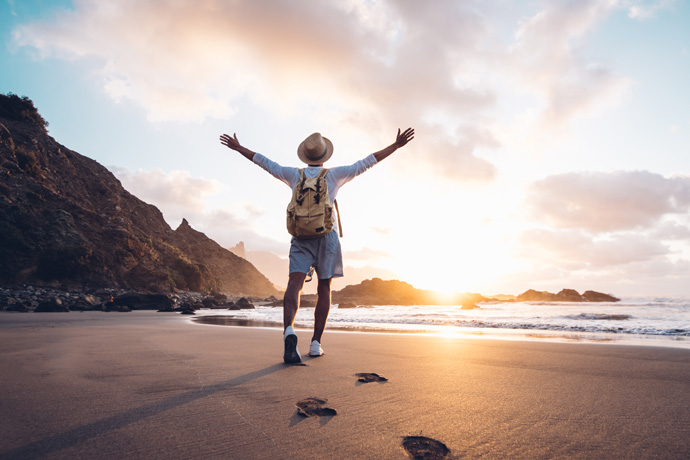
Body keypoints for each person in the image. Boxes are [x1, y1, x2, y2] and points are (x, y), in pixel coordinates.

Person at [220, 127, 415, 363]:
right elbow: (367, 162)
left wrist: (239, 148)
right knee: (324, 288)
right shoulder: (334, 175)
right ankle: (315, 344)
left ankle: (289, 331)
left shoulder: (293, 175)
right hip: (327, 237)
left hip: (301, 237)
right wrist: (395, 146)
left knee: (295, 284)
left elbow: (264, 162)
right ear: (324, 156)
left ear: (305, 155)